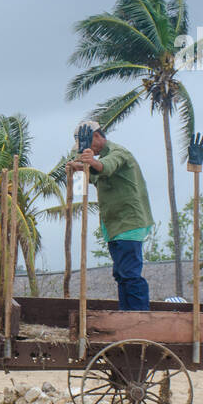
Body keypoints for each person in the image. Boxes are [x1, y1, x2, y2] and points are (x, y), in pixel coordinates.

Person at [67, 120, 153, 310]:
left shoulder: (119, 152)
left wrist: (92, 162)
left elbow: (107, 165)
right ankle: (126, 315)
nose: (89, 150)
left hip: (129, 223)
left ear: (97, 136)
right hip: (114, 226)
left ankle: (140, 319)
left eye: (88, 145)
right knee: (121, 274)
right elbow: (93, 176)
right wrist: (80, 167)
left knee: (130, 274)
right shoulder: (97, 159)